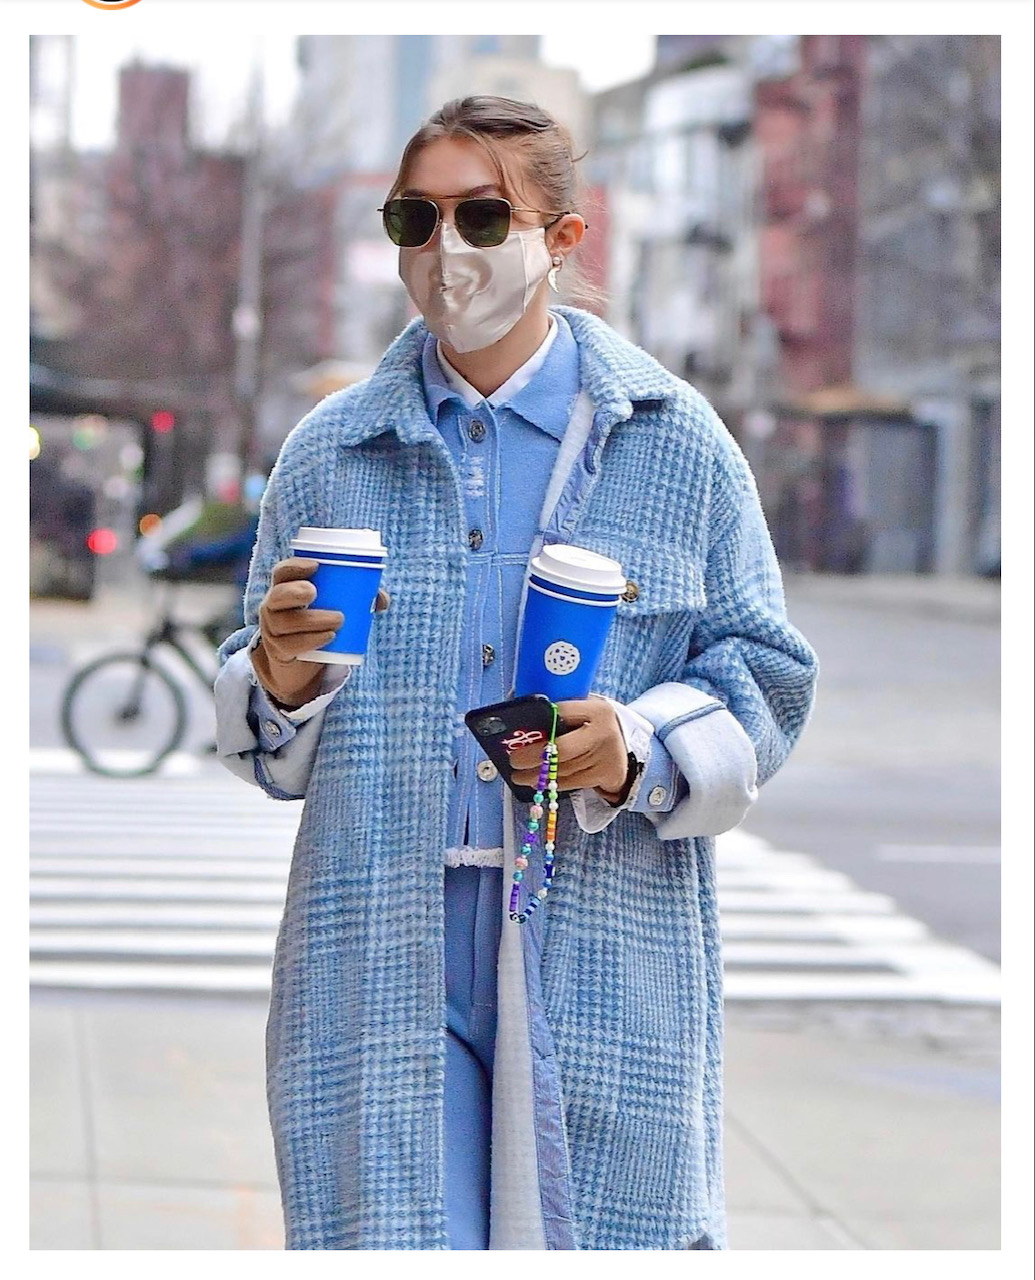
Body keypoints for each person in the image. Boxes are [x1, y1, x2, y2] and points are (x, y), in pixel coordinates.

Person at [213, 96, 818, 1251]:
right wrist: (280, 672)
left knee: (591, 1233)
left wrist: (637, 746)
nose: (447, 251)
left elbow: (764, 675)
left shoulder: (674, 440)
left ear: (563, 238)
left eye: (483, 216)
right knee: (389, 1235)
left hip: (601, 929)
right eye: (415, 218)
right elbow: (263, 711)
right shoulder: (332, 451)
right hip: (381, 930)